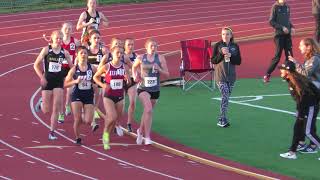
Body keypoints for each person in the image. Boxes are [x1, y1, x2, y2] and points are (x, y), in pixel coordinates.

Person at [34, 30, 73, 140]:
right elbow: (35, 65)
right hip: (47, 80)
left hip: (58, 82)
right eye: (57, 38)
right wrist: (41, 78)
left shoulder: (64, 53)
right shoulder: (46, 50)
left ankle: (52, 132)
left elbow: (72, 67)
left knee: (56, 107)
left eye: (61, 38)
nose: (59, 40)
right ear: (52, 38)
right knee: (46, 110)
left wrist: (69, 76)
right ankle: (41, 102)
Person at [279, 61, 320, 160]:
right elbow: (300, 99)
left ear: (288, 71)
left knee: (308, 132)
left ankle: (293, 151)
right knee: (297, 127)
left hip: (310, 107)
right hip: (305, 107)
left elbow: (304, 98)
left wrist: (301, 114)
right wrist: (299, 113)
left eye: (282, 69)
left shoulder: (296, 82)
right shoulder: (293, 80)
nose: (280, 71)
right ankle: (292, 152)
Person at [132, 38, 169, 145]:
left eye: (155, 46)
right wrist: (135, 76)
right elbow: (134, 68)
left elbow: (167, 75)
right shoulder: (141, 58)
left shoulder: (160, 58)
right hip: (143, 88)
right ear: (146, 47)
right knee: (148, 110)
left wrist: (160, 69)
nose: (153, 48)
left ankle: (140, 130)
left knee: (147, 112)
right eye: (151, 46)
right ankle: (147, 136)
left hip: (155, 89)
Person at [93, 46, 131, 150]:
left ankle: (107, 134)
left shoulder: (125, 67)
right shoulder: (107, 66)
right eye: (117, 53)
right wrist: (103, 85)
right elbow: (95, 77)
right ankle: (105, 135)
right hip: (108, 96)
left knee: (115, 119)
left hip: (120, 96)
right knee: (112, 116)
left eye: (121, 53)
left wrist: (128, 80)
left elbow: (129, 82)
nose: (119, 55)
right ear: (112, 54)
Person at [288, 37, 320, 153]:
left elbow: (306, 73)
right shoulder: (311, 58)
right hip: (310, 92)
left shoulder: (315, 59)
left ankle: (308, 144)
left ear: (309, 47)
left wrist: (295, 63)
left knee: (307, 119)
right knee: (306, 118)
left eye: (301, 45)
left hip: (313, 93)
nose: (299, 47)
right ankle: (304, 143)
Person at [64, 46, 96, 144]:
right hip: (77, 93)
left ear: (87, 55)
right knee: (77, 119)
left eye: (85, 53)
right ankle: (78, 138)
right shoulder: (74, 69)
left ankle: (83, 114)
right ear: (77, 55)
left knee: (87, 120)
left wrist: (95, 85)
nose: (83, 55)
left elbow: (97, 80)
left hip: (88, 94)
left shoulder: (92, 68)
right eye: (81, 53)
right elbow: (65, 84)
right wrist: (75, 81)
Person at [211, 27, 242, 128]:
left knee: (227, 97)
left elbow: (239, 61)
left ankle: (223, 117)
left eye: (227, 34)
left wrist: (230, 56)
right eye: (223, 34)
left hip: (231, 77)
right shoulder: (217, 45)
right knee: (225, 95)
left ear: (231, 35)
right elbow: (213, 61)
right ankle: (222, 118)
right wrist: (221, 54)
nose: (225, 36)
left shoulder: (235, 46)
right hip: (220, 76)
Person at [263, 0, 295, 83]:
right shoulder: (275, 7)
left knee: (290, 55)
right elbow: (271, 21)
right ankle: (267, 74)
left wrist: (292, 27)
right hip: (279, 36)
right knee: (278, 56)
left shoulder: (287, 7)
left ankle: (288, 75)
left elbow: (288, 21)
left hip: (287, 35)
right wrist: (282, 28)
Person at [87, 29, 109, 132]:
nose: (96, 40)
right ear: (90, 39)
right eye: (94, 38)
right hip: (89, 77)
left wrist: (100, 68)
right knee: (91, 95)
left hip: (101, 77)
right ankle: (93, 121)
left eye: (98, 38)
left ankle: (94, 109)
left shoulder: (103, 50)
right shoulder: (86, 50)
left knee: (99, 94)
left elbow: (109, 64)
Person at [61, 22, 81, 118]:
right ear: (62, 30)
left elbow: (80, 52)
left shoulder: (75, 42)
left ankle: (67, 105)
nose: (67, 30)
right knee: (59, 90)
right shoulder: (58, 41)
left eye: (69, 29)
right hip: (60, 68)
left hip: (71, 67)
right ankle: (61, 113)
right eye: (65, 28)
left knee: (70, 89)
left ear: (72, 30)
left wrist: (76, 62)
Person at [123, 38, 138, 132]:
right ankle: (116, 123)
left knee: (132, 102)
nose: (130, 46)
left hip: (132, 82)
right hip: (121, 82)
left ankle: (129, 123)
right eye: (128, 44)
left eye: (132, 44)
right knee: (121, 104)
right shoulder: (120, 55)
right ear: (124, 46)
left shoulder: (136, 56)